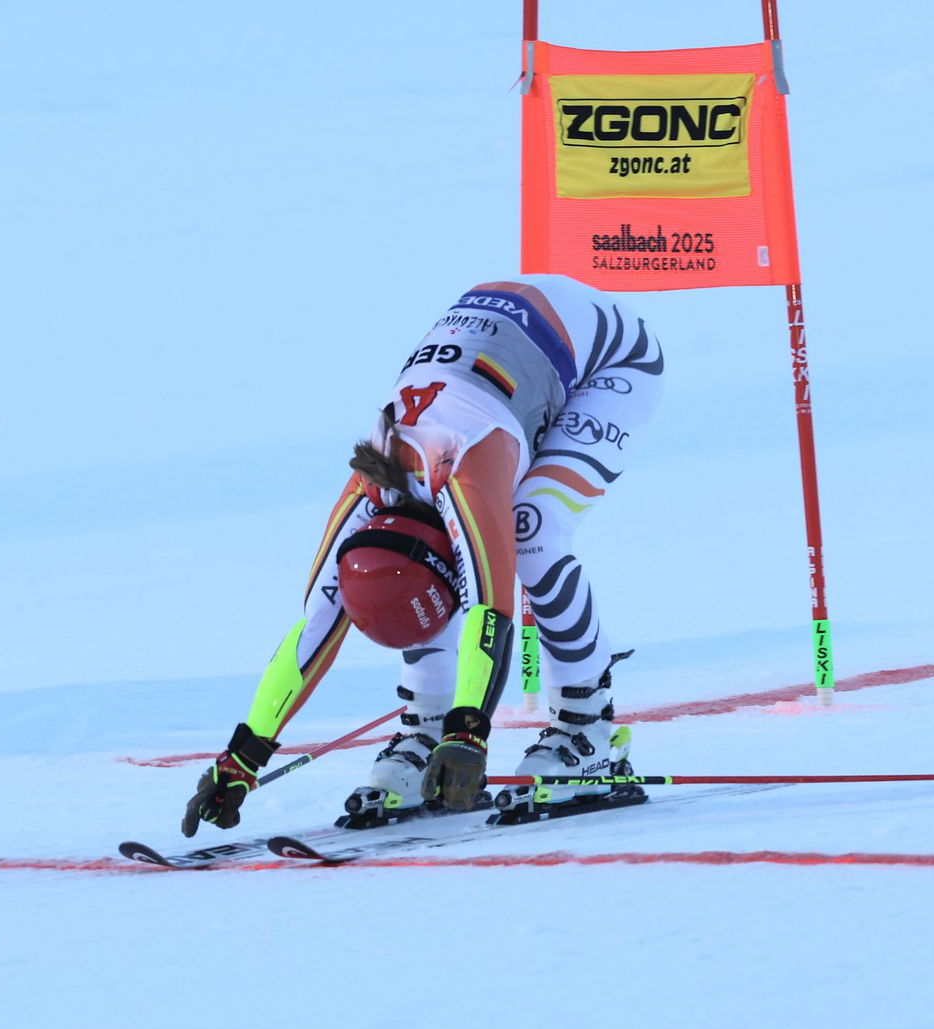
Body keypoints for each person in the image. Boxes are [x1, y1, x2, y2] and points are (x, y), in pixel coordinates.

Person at [181, 274, 665, 837]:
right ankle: (423, 726)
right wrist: (243, 753)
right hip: (508, 332)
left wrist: (469, 735)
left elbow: (491, 610)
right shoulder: (366, 494)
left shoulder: (463, 472)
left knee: (532, 531)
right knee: (419, 569)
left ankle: (589, 732)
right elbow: (317, 622)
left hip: (611, 360)